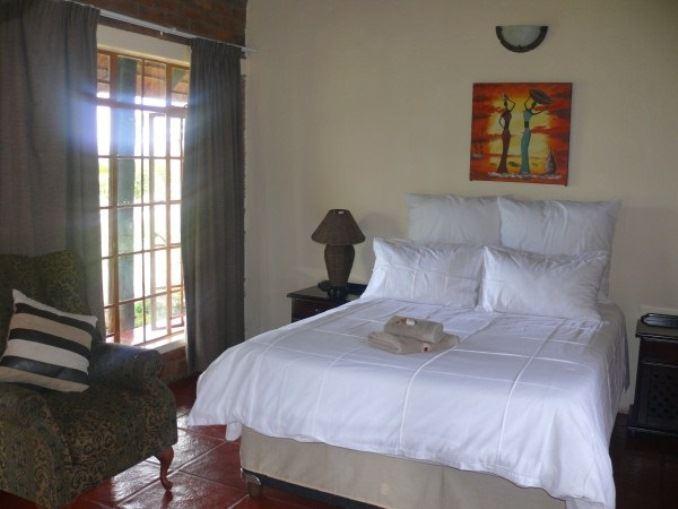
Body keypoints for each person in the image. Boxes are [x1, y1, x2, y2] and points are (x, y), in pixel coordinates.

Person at [520, 97, 546, 175]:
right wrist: (529, 97)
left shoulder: (530, 113)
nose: (532, 105)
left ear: (533, 106)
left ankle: (525, 169)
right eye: (532, 104)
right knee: (523, 149)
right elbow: (525, 103)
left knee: (524, 149)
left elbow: (537, 112)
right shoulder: (529, 111)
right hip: (525, 130)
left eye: (533, 105)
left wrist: (529, 97)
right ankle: (524, 168)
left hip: (527, 130)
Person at [497, 94, 515, 173]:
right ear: (505, 105)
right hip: (505, 132)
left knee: (506, 150)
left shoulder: (507, 112)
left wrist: (508, 99)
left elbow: (514, 104)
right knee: (505, 150)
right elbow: (499, 121)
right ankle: (502, 168)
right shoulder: (505, 112)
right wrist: (503, 127)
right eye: (506, 104)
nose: (507, 106)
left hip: (507, 131)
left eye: (507, 105)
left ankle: (503, 167)